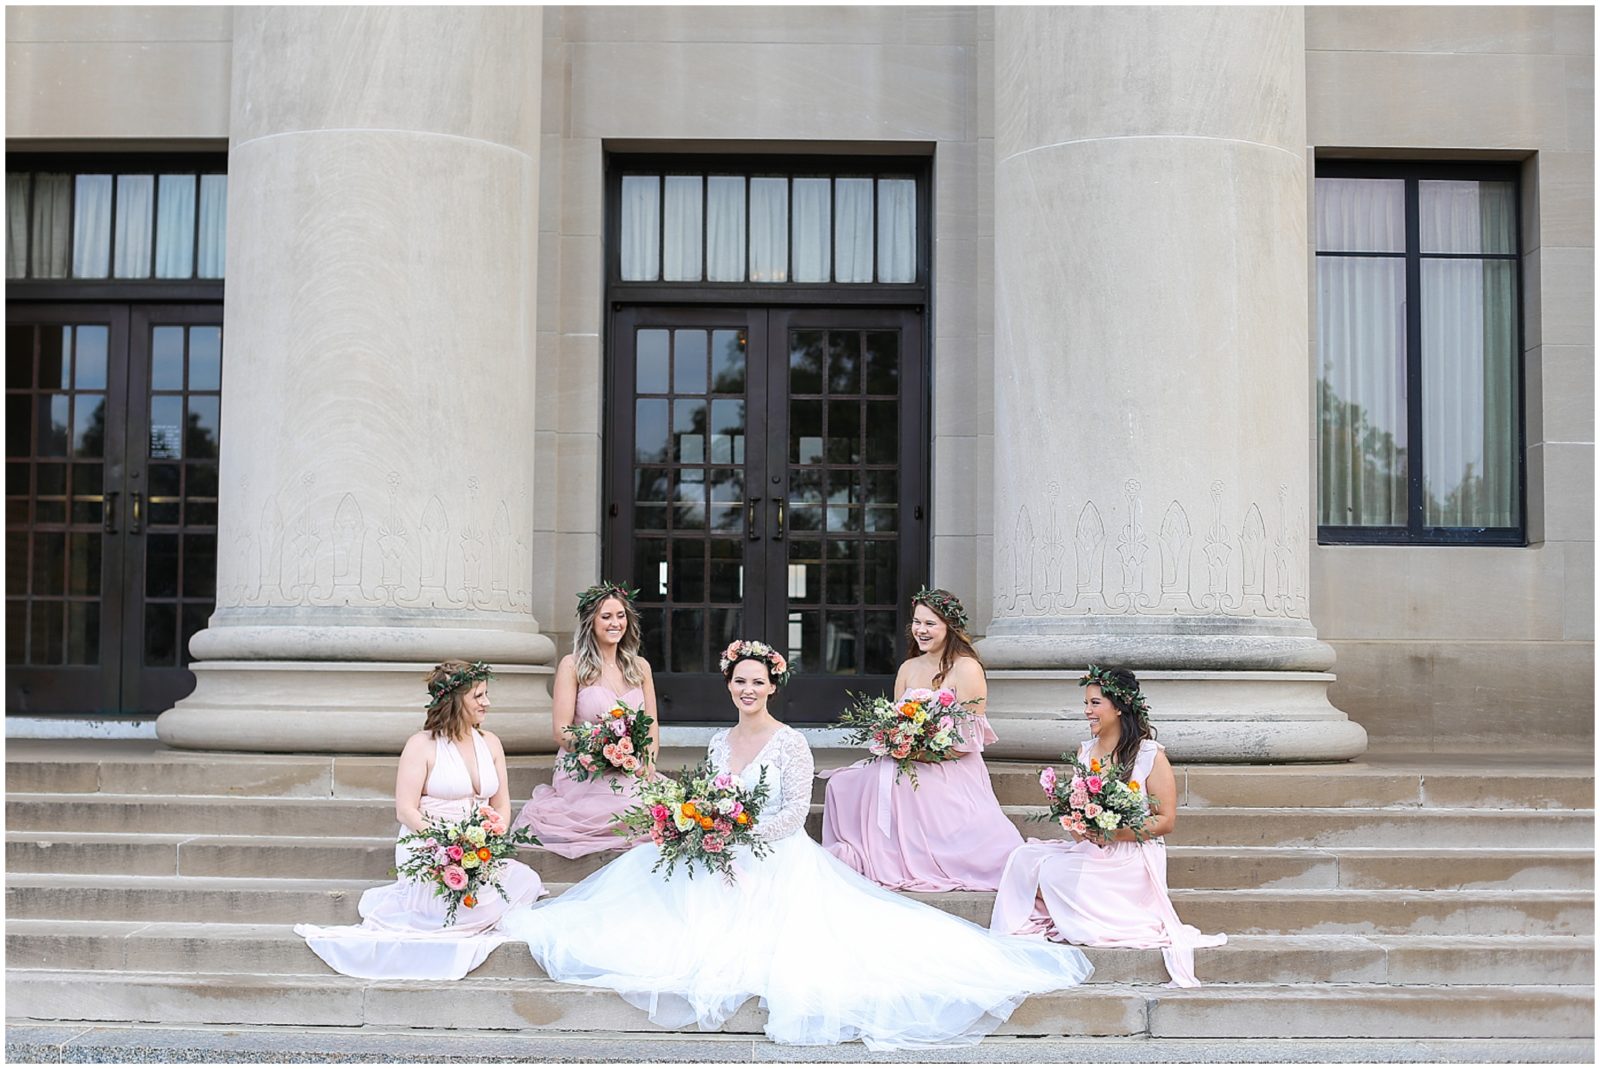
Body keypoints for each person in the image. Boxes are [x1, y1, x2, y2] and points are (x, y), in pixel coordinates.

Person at [499, 640, 1092, 1051]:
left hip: (770, 855)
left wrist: (738, 833)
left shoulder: (791, 744)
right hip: (714, 849)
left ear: (772, 686)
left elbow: (789, 814)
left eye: (758, 682)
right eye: (740, 681)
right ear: (729, 686)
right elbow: (705, 796)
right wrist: (703, 827)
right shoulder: (714, 742)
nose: (748, 690)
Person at [295, 660, 546, 980]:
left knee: (525, 880)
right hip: (430, 846)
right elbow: (406, 811)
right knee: (444, 911)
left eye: (487, 694)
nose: (487, 702)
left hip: (478, 846)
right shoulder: (421, 745)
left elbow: (502, 804)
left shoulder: (491, 742)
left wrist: (491, 840)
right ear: (456, 700)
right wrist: (449, 844)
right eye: (479, 696)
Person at [989, 666, 1226, 987]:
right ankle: (1079, 904)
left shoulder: (1149, 755)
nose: (1087, 711)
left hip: (1133, 853)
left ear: (1119, 706)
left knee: (1054, 874)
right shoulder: (1085, 752)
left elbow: (1165, 820)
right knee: (1023, 859)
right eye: (1086, 703)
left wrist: (1112, 833)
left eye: (1095, 703)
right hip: (1092, 847)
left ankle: (1098, 910)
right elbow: (1075, 814)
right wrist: (1078, 823)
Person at [820, 587, 1022, 891]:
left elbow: (967, 740)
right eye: (917, 622)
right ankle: (874, 856)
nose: (921, 631)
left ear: (949, 627)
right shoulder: (908, 668)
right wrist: (894, 740)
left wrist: (922, 752)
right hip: (905, 760)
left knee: (900, 785)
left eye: (930, 624)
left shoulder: (967, 669)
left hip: (949, 766)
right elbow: (895, 720)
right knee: (841, 784)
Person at [512, 581, 660, 857]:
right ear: (590, 622)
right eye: (606, 617)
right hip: (584, 769)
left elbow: (651, 726)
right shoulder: (573, 665)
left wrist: (647, 765)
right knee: (626, 808)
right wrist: (602, 750)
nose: (615, 623)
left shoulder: (640, 668)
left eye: (620, 616)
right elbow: (562, 731)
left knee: (656, 806)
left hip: (630, 768)